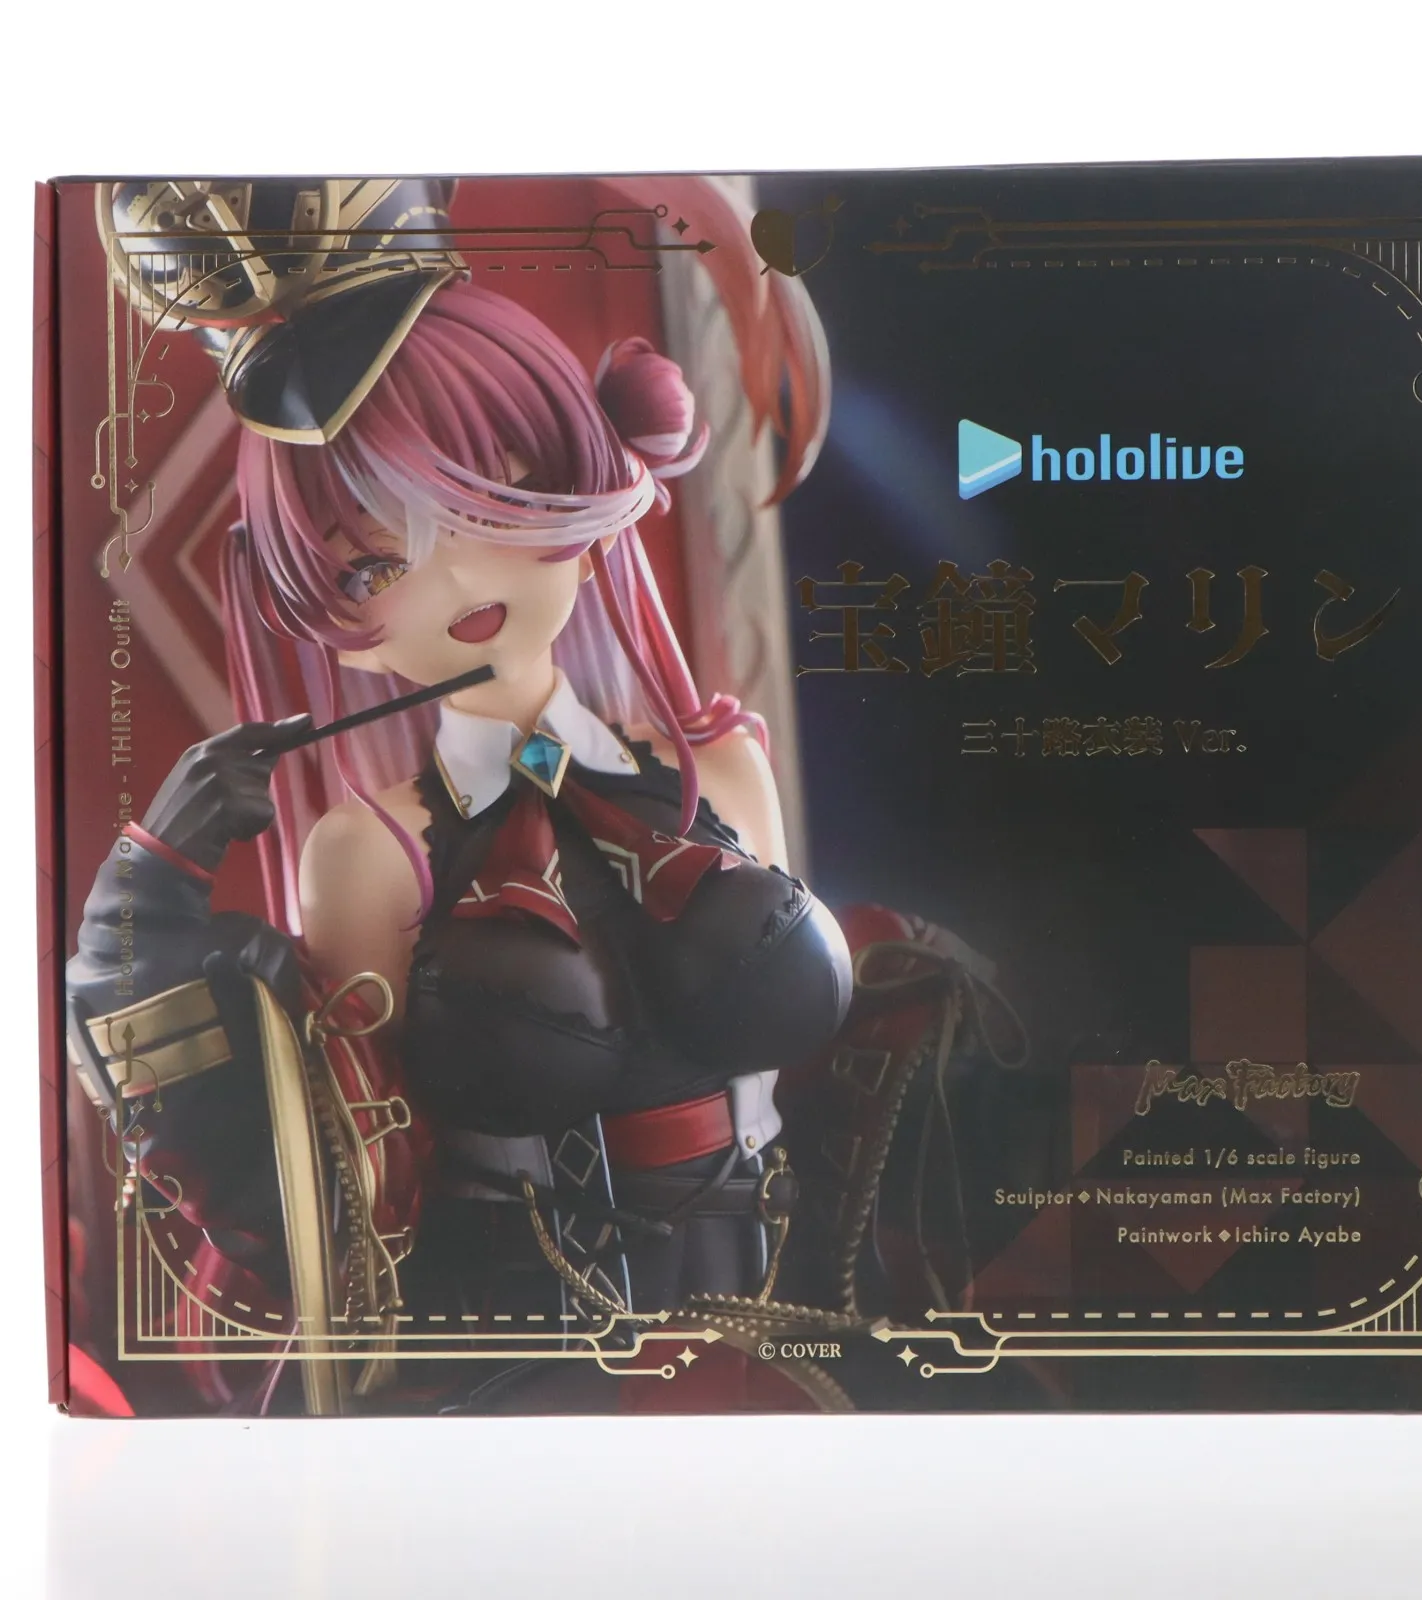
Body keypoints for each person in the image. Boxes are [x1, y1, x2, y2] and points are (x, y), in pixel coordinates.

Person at [65, 177, 854, 1412]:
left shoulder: (720, 769)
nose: (456, 580)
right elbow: (333, 1176)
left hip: (782, 1338)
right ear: (323, 613)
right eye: (373, 563)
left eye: (490, 493)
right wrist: (145, 897)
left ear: (585, 473)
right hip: (523, 1384)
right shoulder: (369, 851)